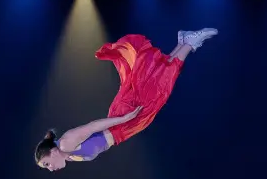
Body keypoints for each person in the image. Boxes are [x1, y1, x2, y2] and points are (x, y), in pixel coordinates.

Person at [35, 28, 218, 170]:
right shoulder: (67, 154)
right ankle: (184, 42)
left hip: (120, 123)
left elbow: (93, 126)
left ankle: (190, 43)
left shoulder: (67, 143)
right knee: (154, 84)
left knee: (158, 90)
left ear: (52, 152)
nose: (50, 168)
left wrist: (124, 119)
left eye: (47, 164)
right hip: (121, 130)